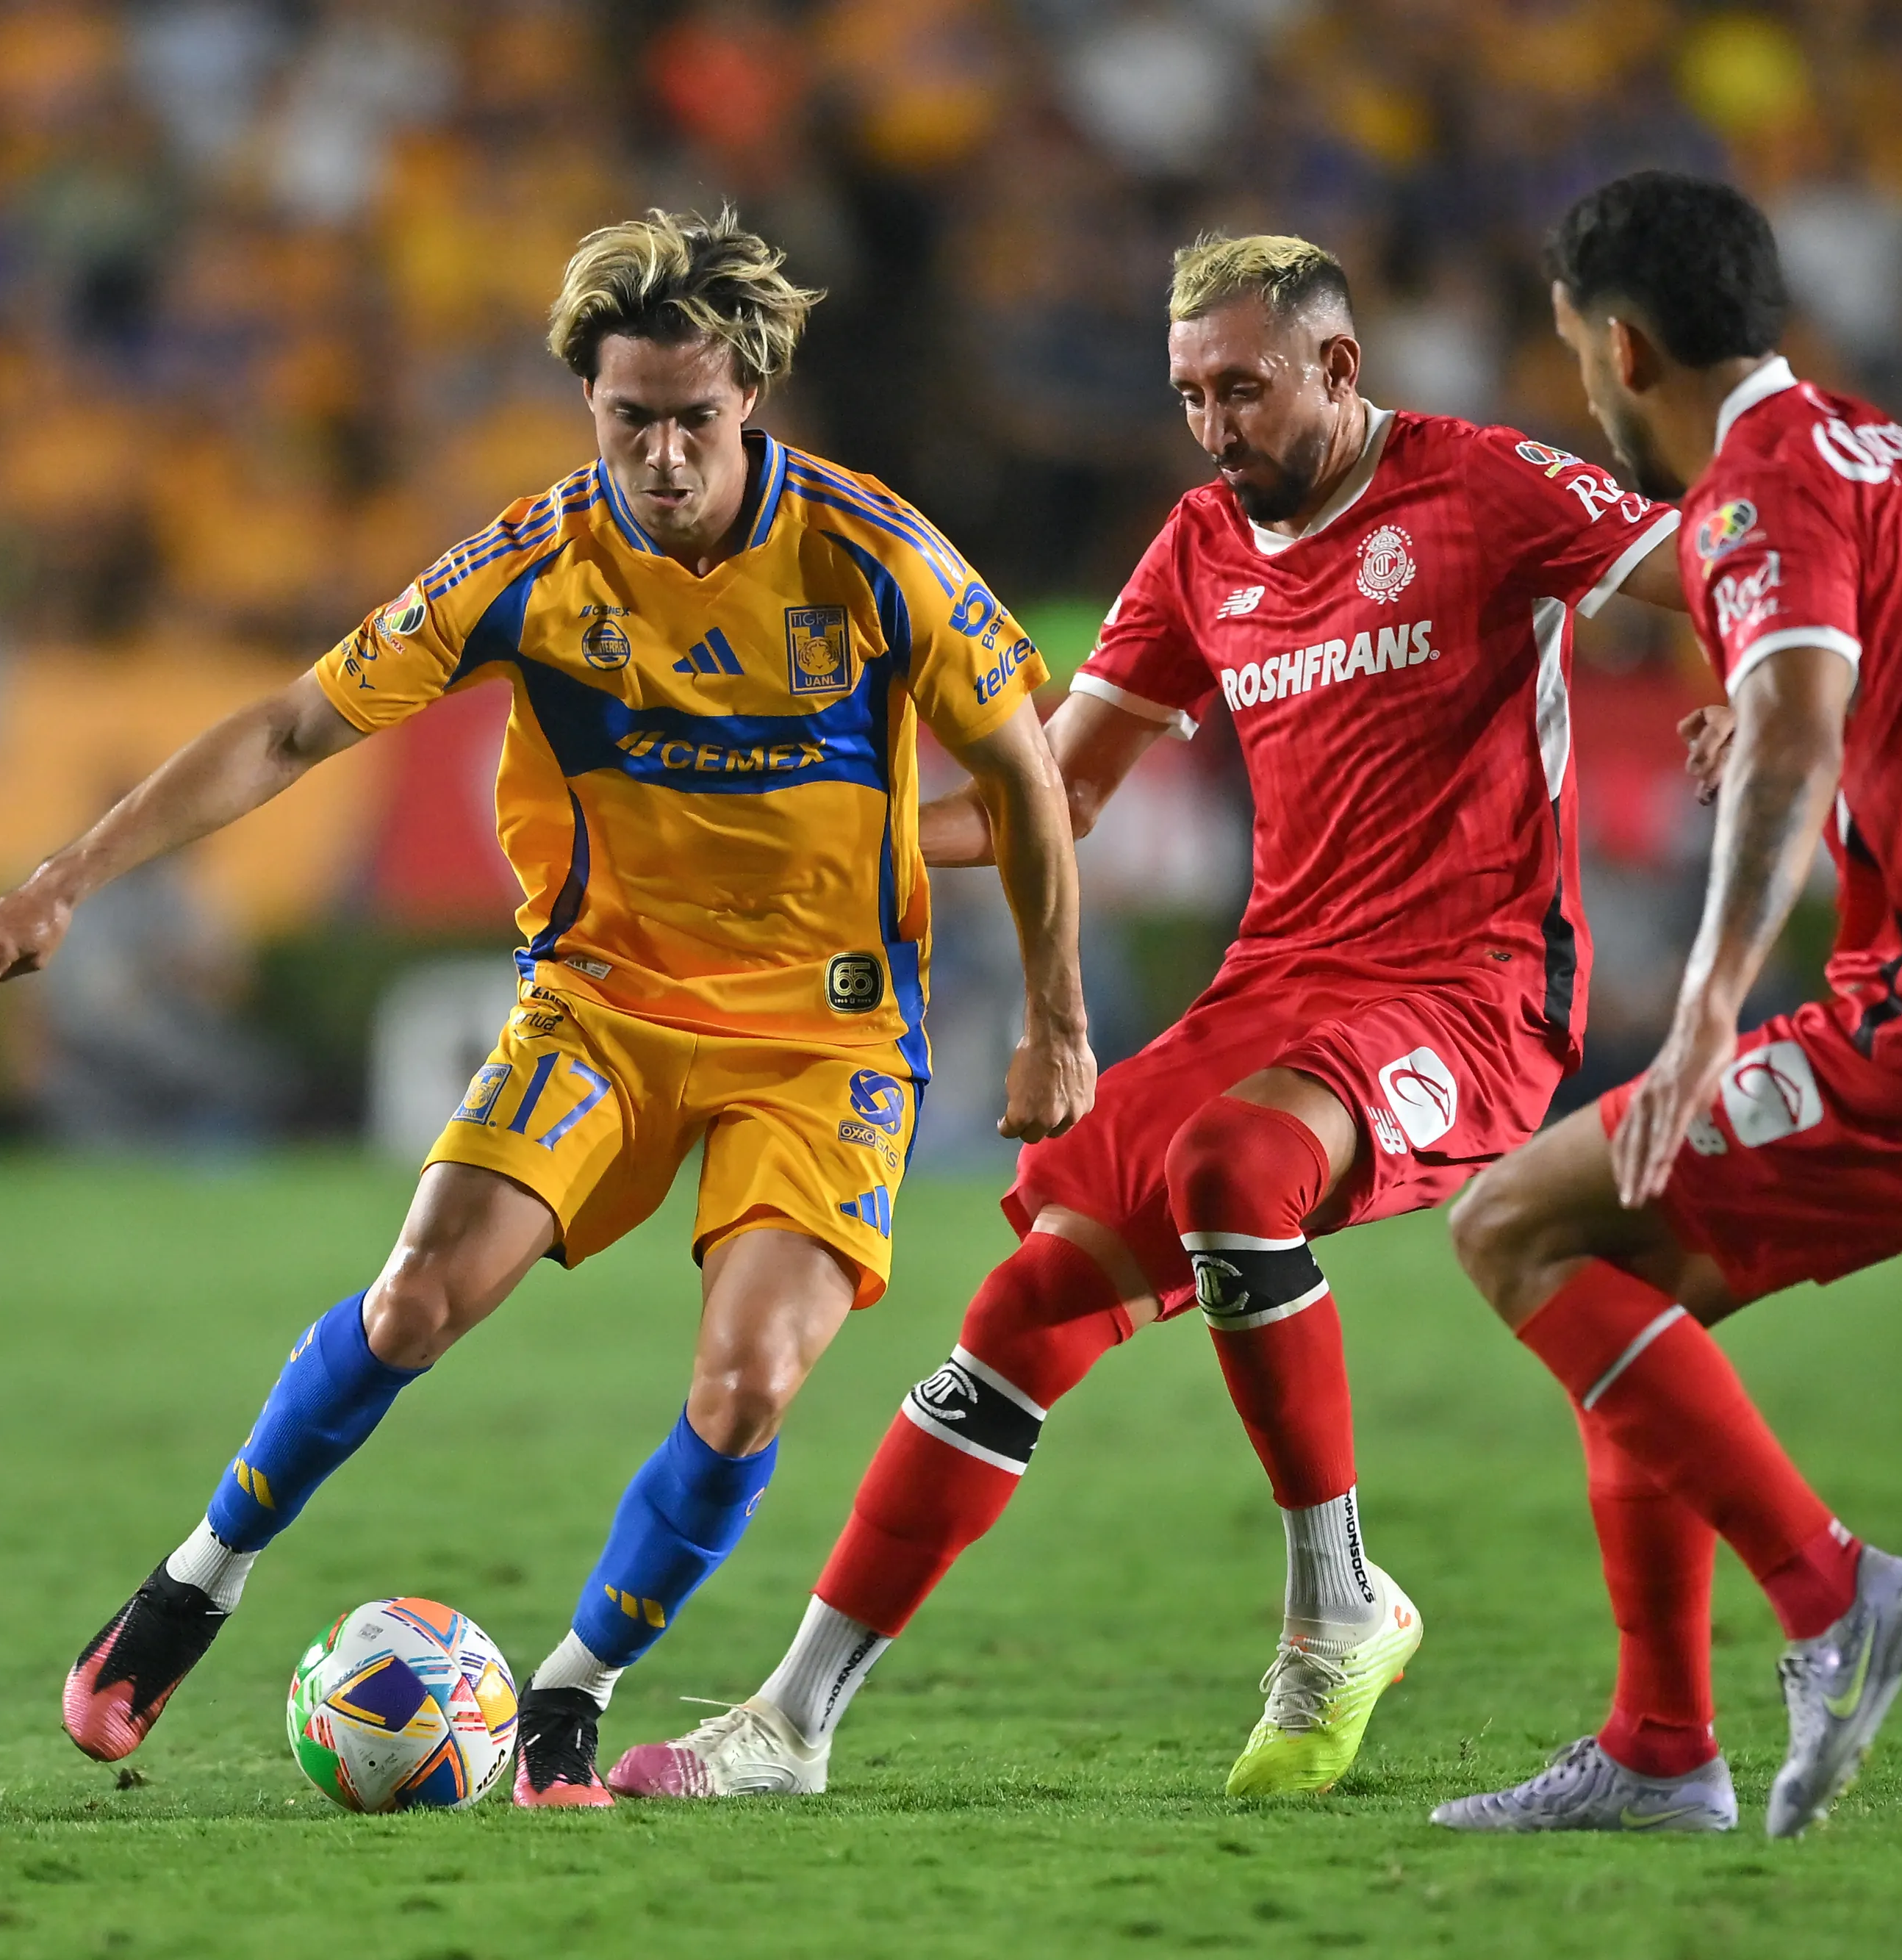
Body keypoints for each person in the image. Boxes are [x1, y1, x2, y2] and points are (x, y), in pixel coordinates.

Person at [0, 208, 1094, 1807]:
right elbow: (287, 730)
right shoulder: (534, 565)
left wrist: (1053, 1017)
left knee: (746, 1382)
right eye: (632, 422)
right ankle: (192, 1582)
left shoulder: (876, 556)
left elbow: (1034, 781)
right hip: (603, 1007)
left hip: (825, 1039)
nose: (665, 455)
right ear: (589, 407)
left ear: (748, 394)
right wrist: (62, 877)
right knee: (415, 1299)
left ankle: (569, 1689)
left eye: (694, 420)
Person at [609, 231, 1688, 1802]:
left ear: (1338, 366)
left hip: (1469, 989)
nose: (1212, 427)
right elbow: (1055, 794)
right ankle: (789, 1721)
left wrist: (1746, 674)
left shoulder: (1480, 487)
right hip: (1277, 987)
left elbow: (1702, 569)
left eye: (1241, 390)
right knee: (1010, 1320)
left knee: (1233, 1174)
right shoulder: (1199, 543)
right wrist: (813, 824)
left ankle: (1337, 1607)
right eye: (1188, 395)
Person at [1435, 171, 1902, 1839]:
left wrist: (1700, 1011)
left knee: (1506, 1228)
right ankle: (1658, 1747)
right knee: (1629, 1280)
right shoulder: (1892, 456)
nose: (1584, 388)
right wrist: (1786, 736)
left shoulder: (1759, 486)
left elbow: (1809, 731)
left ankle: (1833, 1594)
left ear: (1617, 344)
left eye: (1574, 357)